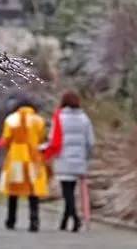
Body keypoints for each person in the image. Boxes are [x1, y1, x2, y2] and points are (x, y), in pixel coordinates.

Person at [44, 90, 95, 232]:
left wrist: (45, 151)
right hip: (79, 159)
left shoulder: (59, 117)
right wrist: (87, 157)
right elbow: (90, 141)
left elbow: (52, 138)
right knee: (71, 190)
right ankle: (64, 222)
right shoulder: (84, 118)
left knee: (67, 192)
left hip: (63, 158)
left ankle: (75, 219)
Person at [0, 97, 49, 231]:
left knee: (13, 190)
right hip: (33, 157)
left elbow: (6, 139)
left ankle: (11, 220)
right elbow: (42, 138)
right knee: (33, 190)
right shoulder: (38, 120)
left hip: (16, 157)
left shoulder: (11, 119)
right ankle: (34, 220)